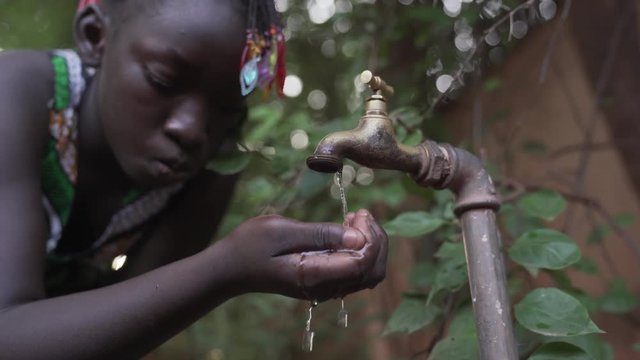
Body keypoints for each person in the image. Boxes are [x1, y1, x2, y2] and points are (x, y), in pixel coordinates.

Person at [0, 0, 388, 358]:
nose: (192, 129)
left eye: (227, 108)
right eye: (163, 80)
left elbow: (124, 336)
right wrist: (225, 269)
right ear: (94, 36)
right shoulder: (14, 93)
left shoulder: (209, 169)